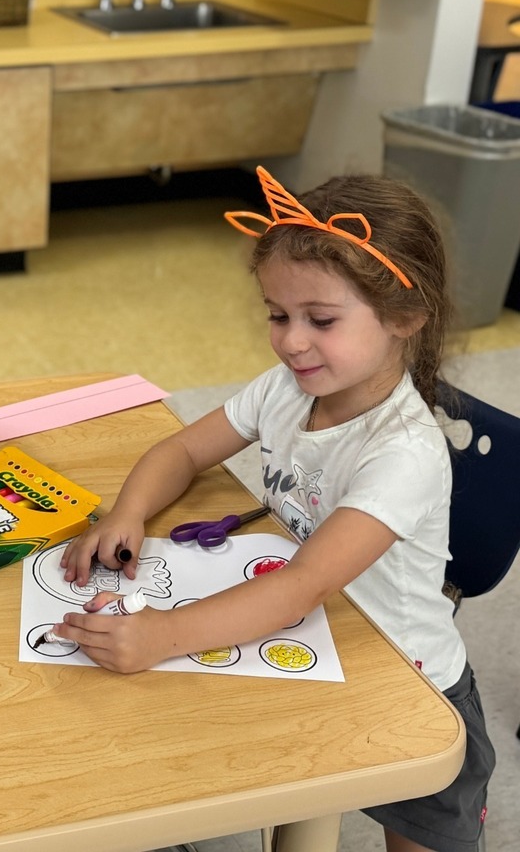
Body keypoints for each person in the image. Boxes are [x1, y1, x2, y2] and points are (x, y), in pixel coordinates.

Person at [59, 167, 495, 852]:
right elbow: (179, 452)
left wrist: (159, 636)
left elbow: (300, 586)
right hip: (318, 642)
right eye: (277, 314)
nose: (291, 341)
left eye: (320, 320)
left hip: (408, 680)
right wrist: (127, 514)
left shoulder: (403, 453)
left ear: (406, 318)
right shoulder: (287, 388)